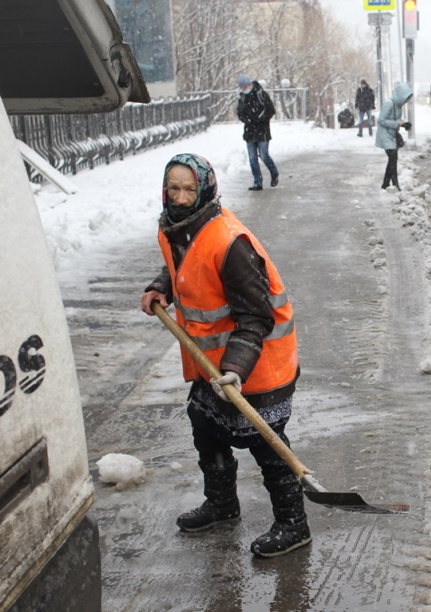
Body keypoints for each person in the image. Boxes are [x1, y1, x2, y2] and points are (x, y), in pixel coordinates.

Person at [141, 153, 310, 557]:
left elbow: (256, 316)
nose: (180, 197)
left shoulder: (230, 242)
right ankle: (222, 504)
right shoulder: (176, 228)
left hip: (258, 363)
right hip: (211, 362)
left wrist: (235, 369)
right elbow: (181, 266)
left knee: (267, 445)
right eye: (173, 188)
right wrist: (160, 285)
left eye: (188, 189)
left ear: (206, 190)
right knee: (206, 428)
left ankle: (293, 524)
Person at [236, 75, 279, 191]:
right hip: (249, 132)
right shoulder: (242, 98)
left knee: (264, 155)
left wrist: (260, 118)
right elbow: (240, 113)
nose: (244, 90)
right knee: (252, 158)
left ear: (250, 85)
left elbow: (271, 110)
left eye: (246, 87)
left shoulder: (261, 94)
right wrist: (247, 119)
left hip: (262, 131)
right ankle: (257, 182)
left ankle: (274, 172)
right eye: (242, 88)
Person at [375, 82, 413, 191]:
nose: (406, 101)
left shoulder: (398, 106)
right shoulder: (389, 104)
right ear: (401, 95)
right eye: (405, 98)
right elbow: (381, 120)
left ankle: (386, 184)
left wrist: (404, 123)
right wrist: (397, 123)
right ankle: (395, 184)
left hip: (391, 135)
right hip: (385, 135)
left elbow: (396, 119)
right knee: (393, 158)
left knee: (392, 159)